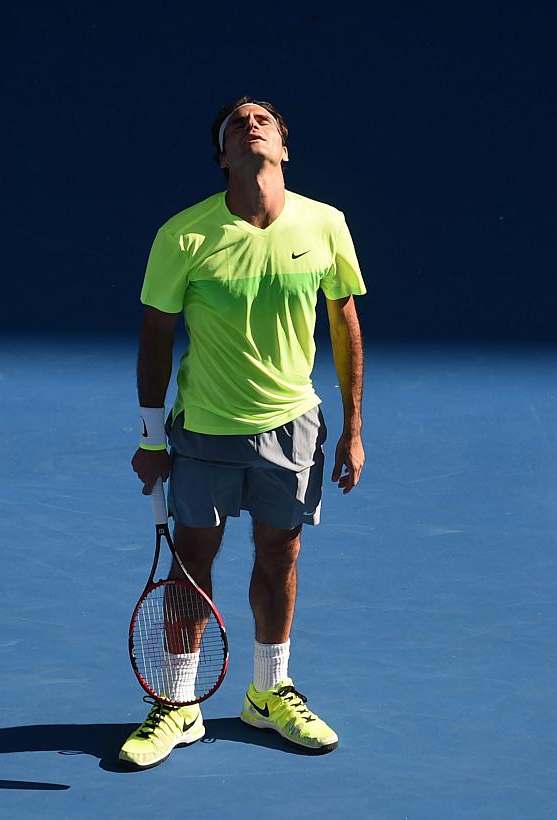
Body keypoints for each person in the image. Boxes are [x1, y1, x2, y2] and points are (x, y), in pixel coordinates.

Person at [119, 97, 367, 769]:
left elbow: (344, 325)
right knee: (192, 561)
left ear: (283, 147)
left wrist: (352, 428)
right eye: (236, 122)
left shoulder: (326, 224)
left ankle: (268, 691)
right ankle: (178, 703)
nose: (249, 121)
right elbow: (154, 338)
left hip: (295, 428)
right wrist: (150, 437)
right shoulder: (183, 236)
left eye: (263, 118)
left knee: (280, 555)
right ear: (223, 156)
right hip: (205, 429)